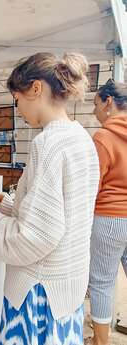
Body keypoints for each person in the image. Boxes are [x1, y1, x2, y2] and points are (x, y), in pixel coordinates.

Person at [0, 52, 100, 344]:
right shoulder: (82, 138)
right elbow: (63, 210)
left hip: (39, 292)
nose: (17, 108)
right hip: (66, 285)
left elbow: (34, 237)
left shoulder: (48, 143)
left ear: (35, 88)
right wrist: (6, 205)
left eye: (16, 98)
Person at [88, 80, 127, 345]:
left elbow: (93, 186)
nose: (94, 111)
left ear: (108, 102)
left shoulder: (103, 136)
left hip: (109, 217)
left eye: (95, 104)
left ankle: (100, 341)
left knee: (102, 282)